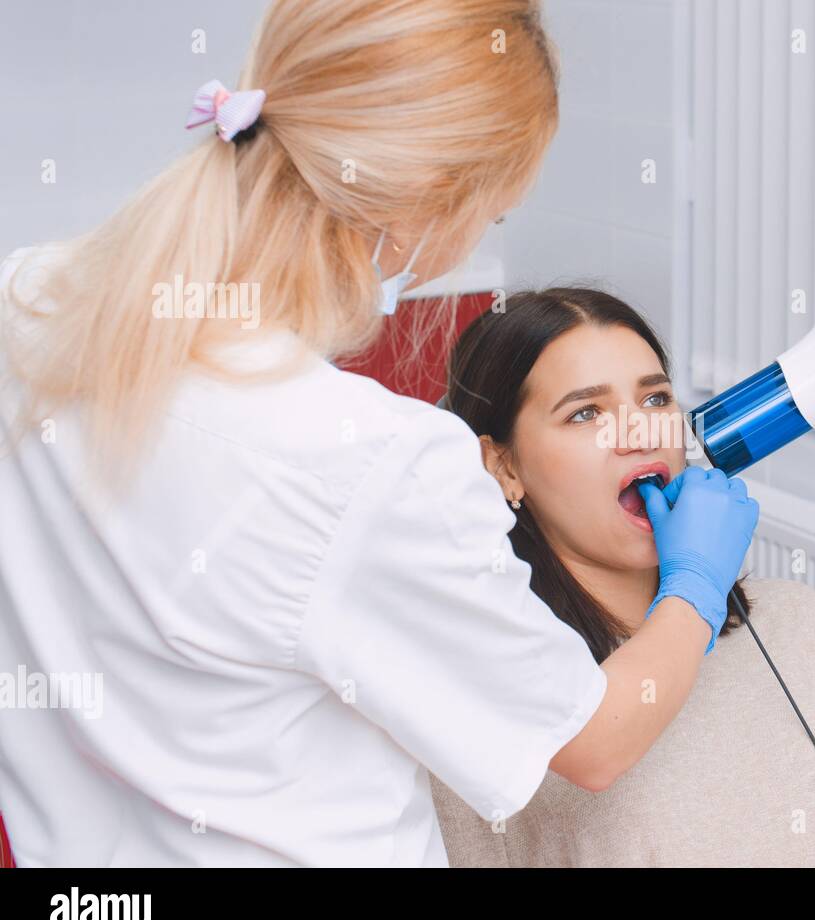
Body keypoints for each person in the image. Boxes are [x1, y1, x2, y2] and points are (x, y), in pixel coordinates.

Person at [0, 0, 756, 866]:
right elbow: (595, 740)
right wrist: (695, 586)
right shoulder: (373, 462)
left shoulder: (27, 305)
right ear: (432, 204)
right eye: (493, 213)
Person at [429, 287, 815, 867]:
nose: (639, 433)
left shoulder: (796, 625)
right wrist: (695, 592)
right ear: (502, 466)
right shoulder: (502, 684)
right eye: (586, 413)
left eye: (655, 400)